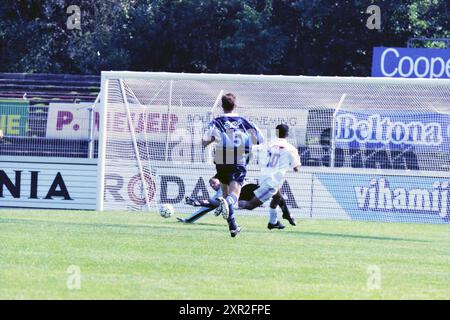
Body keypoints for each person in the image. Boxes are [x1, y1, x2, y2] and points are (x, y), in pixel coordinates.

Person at [202, 93, 264, 237]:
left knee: (225, 197)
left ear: (222, 106)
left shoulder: (216, 122)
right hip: (237, 160)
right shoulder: (244, 121)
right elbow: (259, 140)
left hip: (221, 160)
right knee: (233, 197)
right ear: (235, 105)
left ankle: (233, 227)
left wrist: (215, 139)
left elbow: (204, 141)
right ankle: (227, 209)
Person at [239, 124, 300, 230]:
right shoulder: (291, 149)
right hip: (272, 181)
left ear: (275, 133)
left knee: (277, 197)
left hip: (264, 177)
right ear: (287, 134)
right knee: (250, 205)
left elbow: (250, 149)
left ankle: (274, 222)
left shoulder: (267, 144)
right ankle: (229, 203)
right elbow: (296, 169)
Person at [179, 176, 295, 225]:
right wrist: (188, 219)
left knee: (277, 193)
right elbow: (204, 208)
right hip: (247, 197)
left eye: (214, 182)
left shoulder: (228, 182)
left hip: (249, 189)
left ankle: (286, 215)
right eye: (210, 184)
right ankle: (284, 216)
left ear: (219, 180)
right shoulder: (219, 193)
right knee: (219, 202)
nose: (212, 185)